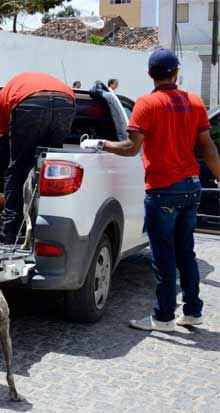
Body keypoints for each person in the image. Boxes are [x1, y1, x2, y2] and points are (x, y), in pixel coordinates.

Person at [81, 48, 220, 331]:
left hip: (162, 191)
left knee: (164, 258)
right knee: (186, 254)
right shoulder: (194, 102)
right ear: (176, 72)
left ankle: (164, 318)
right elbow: (207, 147)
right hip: (192, 188)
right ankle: (193, 312)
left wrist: (99, 144)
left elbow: (131, 148)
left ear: (150, 74)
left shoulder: (147, 104)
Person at [0, 72, 76, 243]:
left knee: (15, 170)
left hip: (30, 101)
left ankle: (9, 231)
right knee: (48, 169)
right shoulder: (10, 92)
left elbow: (3, 150)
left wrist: (11, 169)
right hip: (66, 101)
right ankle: (45, 228)